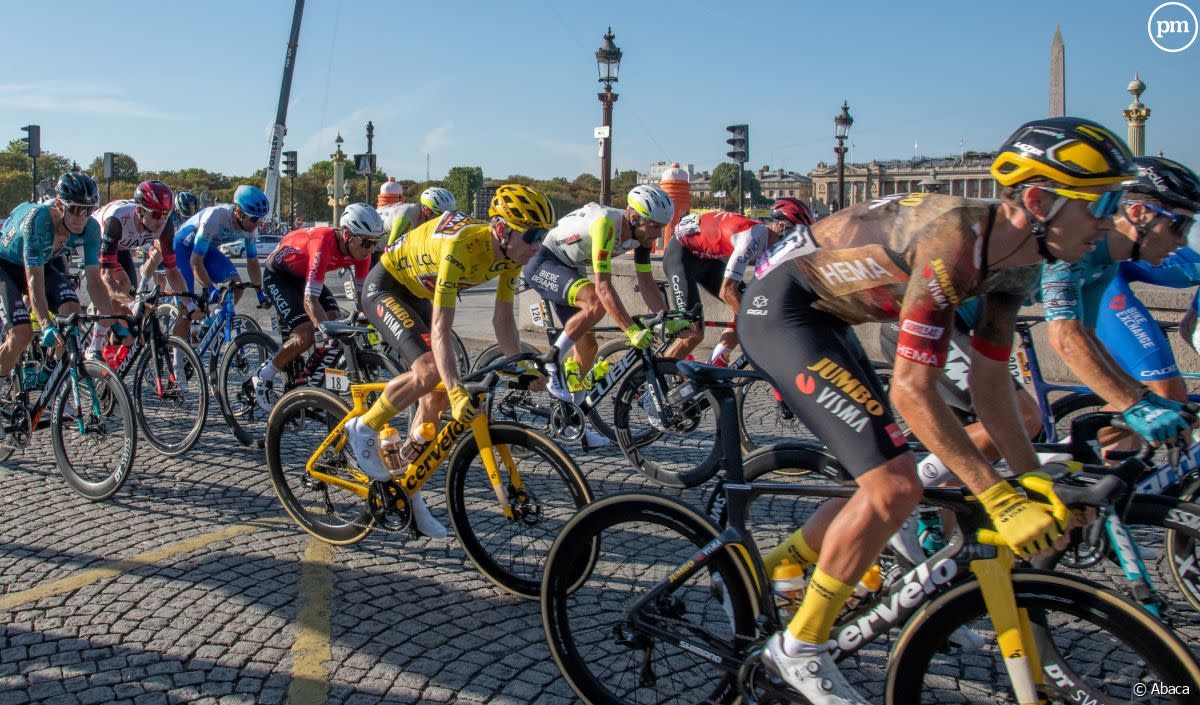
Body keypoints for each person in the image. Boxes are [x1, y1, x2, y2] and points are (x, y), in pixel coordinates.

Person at [736, 116, 1135, 705]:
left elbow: (991, 382)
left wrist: (1029, 478)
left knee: (881, 477)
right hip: (783, 310)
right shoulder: (953, 243)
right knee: (894, 487)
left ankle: (775, 567)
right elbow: (912, 391)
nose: (1109, 219)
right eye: (1100, 200)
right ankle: (799, 648)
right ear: (1038, 199)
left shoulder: (1020, 260)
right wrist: (998, 497)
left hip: (833, 315)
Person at [344, 184, 555, 538]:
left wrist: (519, 362)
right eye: (533, 234)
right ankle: (363, 428)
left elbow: (502, 320)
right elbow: (442, 330)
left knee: (437, 398)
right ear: (502, 229)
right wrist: (459, 392)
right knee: (429, 372)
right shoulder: (463, 245)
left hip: (420, 291)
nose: (538, 244)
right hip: (388, 286)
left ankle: (409, 491)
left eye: (543, 234)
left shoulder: (510, 257)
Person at [522, 185, 674, 409]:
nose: (658, 234)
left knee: (588, 349)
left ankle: (570, 414)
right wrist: (631, 330)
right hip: (544, 262)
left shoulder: (642, 238)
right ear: (633, 218)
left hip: (569, 268)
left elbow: (647, 283)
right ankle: (552, 360)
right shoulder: (605, 224)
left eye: (662, 227)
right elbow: (603, 286)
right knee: (595, 302)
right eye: (653, 226)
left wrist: (667, 318)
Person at [249, 204, 380, 412]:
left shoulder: (363, 253)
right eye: (366, 242)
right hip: (279, 276)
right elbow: (311, 300)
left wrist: (374, 319)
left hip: (303, 275)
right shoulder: (323, 243)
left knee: (335, 318)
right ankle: (263, 375)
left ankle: (312, 376)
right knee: (306, 333)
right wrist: (327, 332)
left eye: (375, 242)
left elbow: (362, 297)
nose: (370, 250)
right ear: (347, 234)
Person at [662, 197, 813, 362]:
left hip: (707, 259)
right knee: (692, 332)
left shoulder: (771, 245)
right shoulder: (751, 238)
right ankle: (660, 378)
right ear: (783, 228)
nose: (797, 244)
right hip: (681, 255)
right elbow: (727, 292)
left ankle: (717, 362)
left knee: (746, 305)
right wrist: (758, 327)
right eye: (796, 236)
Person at [0, 173, 101, 378]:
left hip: (37, 265)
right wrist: (46, 325)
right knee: (22, 334)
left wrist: (114, 323)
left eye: (89, 210)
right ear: (59, 205)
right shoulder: (38, 221)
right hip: (5, 265)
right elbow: (34, 280)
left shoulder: (90, 228)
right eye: (76, 209)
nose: (83, 216)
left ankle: (51, 372)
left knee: (72, 312)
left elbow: (95, 281)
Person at [170, 185, 269, 377]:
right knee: (186, 307)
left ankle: (206, 325)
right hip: (184, 247)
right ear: (238, 212)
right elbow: (195, 262)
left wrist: (259, 292)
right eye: (254, 219)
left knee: (237, 286)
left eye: (261, 219)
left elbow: (253, 262)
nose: (257, 224)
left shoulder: (250, 229)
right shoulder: (216, 216)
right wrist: (210, 288)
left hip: (207, 249)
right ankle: (177, 364)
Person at [90, 180, 190, 357]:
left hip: (122, 246)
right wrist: (131, 302)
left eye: (166, 214)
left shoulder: (165, 225)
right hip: (97, 238)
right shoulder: (117, 219)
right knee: (122, 285)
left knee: (128, 295)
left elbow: (172, 271)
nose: (162, 220)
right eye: (156, 214)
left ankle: (112, 351)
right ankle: (94, 347)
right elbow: (106, 277)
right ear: (139, 210)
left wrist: (189, 303)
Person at [380, 186, 457, 251]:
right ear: (427, 211)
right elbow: (389, 251)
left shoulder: (422, 217)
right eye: (441, 216)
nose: (446, 220)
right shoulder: (406, 217)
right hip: (373, 246)